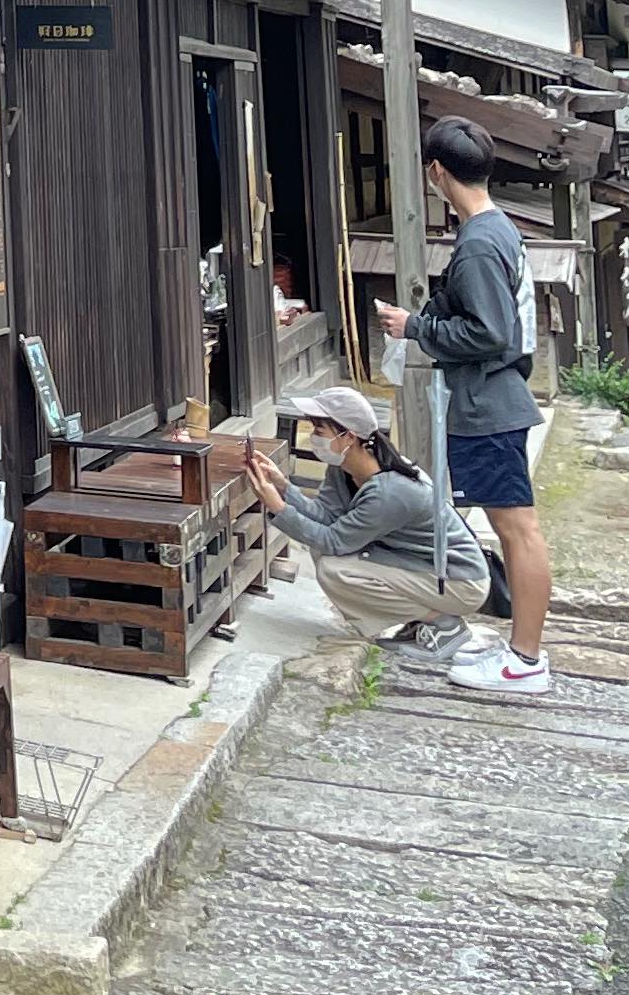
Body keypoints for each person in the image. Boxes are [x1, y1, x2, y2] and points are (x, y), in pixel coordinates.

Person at [376, 115, 553, 699]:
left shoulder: (477, 242)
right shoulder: (498, 228)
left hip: (490, 405)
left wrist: (416, 327)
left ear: (436, 171)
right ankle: (521, 652)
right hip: (497, 399)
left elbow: (489, 332)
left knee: (518, 531)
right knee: (515, 529)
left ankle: (526, 660)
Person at [236, 386, 496, 647]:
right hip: (422, 566)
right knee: (323, 552)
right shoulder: (344, 468)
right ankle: (421, 621)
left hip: (460, 581)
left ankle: (442, 623)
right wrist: (283, 487)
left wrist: (278, 507)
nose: (313, 438)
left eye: (319, 431)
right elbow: (327, 517)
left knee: (336, 570)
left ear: (348, 436)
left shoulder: (389, 491)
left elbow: (333, 540)